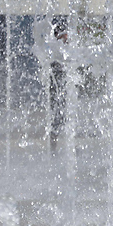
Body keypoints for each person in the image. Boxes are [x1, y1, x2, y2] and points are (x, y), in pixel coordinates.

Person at [50, 16, 68, 152]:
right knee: (57, 117)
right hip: (57, 88)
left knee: (62, 116)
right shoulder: (54, 51)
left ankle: (60, 148)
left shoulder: (66, 49)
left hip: (65, 87)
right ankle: (53, 148)